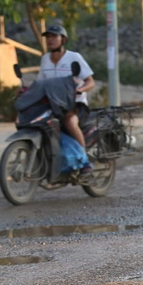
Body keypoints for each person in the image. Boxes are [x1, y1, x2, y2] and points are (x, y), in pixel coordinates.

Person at [37, 24, 96, 175]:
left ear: (63, 40)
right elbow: (40, 83)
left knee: (69, 122)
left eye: (53, 36)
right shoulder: (45, 60)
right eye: (48, 37)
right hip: (53, 105)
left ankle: (84, 161)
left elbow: (90, 82)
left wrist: (80, 90)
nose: (50, 40)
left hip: (75, 105)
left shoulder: (74, 58)